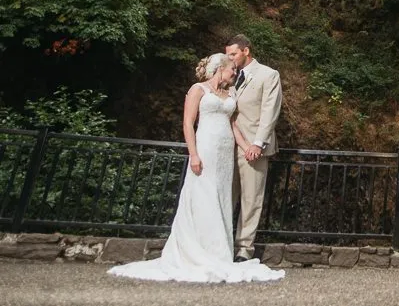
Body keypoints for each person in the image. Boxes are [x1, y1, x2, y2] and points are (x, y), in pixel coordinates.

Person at [108, 54, 283, 283]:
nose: (234, 73)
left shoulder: (230, 93)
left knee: (220, 200)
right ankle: (196, 251)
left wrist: (248, 146)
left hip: (225, 154)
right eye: (231, 69)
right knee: (202, 196)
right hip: (206, 147)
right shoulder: (198, 89)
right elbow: (188, 123)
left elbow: (233, 126)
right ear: (220, 69)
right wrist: (194, 154)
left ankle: (218, 252)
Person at [225, 34, 283, 262]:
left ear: (246, 51)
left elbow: (270, 111)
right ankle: (221, 244)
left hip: (253, 147)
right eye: (227, 54)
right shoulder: (228, 75)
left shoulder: (268, 75)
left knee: (251, 200)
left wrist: (258, 144)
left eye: (233, 54)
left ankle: (243, 250)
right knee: (224, 197)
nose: (229, 58)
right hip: (227, 146)